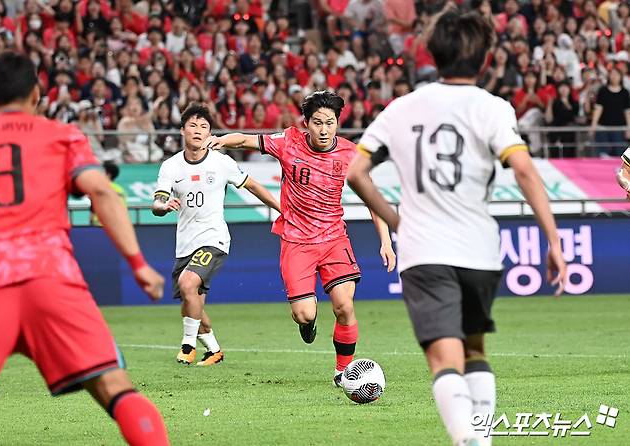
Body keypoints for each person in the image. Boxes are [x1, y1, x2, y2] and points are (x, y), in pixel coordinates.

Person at [346, 10, 567, 446]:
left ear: (433, 54)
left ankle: (467, 438)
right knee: (474, 350)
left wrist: (395, 221)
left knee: (443, 359)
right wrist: (554, 239)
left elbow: (356, 173)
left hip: (424, 250)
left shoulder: (401, 109)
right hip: (478, 250)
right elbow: (523, 170)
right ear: (485, 59)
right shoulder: (494, 108)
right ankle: (479, 438)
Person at [0, 51, 169, 445]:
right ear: (37, 95)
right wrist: (138, 263)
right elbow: (100, 191)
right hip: (51, 278)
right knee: (115, 386)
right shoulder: (61, 135)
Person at [202, 90, 397, 386]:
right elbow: (245, 140)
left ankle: (343, 371)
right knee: (305, 315)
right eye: (317, 122)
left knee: (344, 305)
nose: (323, 129)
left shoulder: (348, 155)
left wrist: (386, 240)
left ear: (337, 124)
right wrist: (220, 140)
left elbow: (373, 200)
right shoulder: (288, 142)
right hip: (296, 242)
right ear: (306, 123)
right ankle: (309, 323)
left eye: (329, 123)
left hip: (334, 239)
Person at [152, 103, 280, 366]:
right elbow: (158, 201)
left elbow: (253, 185)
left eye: (204, 127)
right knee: (191, 304)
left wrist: (281, 209)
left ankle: (187, 346)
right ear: (182, 130)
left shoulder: (221, 163)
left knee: (189, 285)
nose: (198, 131)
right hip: (184, 244)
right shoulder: (171, 166)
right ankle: (214, 351)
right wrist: (163, 207)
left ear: (210, 133)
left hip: (214, 239)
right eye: (192, 126)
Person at [90, 161, 128, 225]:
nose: (99, 174)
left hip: (102, 225)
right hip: (114, 225)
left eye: (101, 172)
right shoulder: (120, 189)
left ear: (108, 175)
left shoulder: (100, 188)